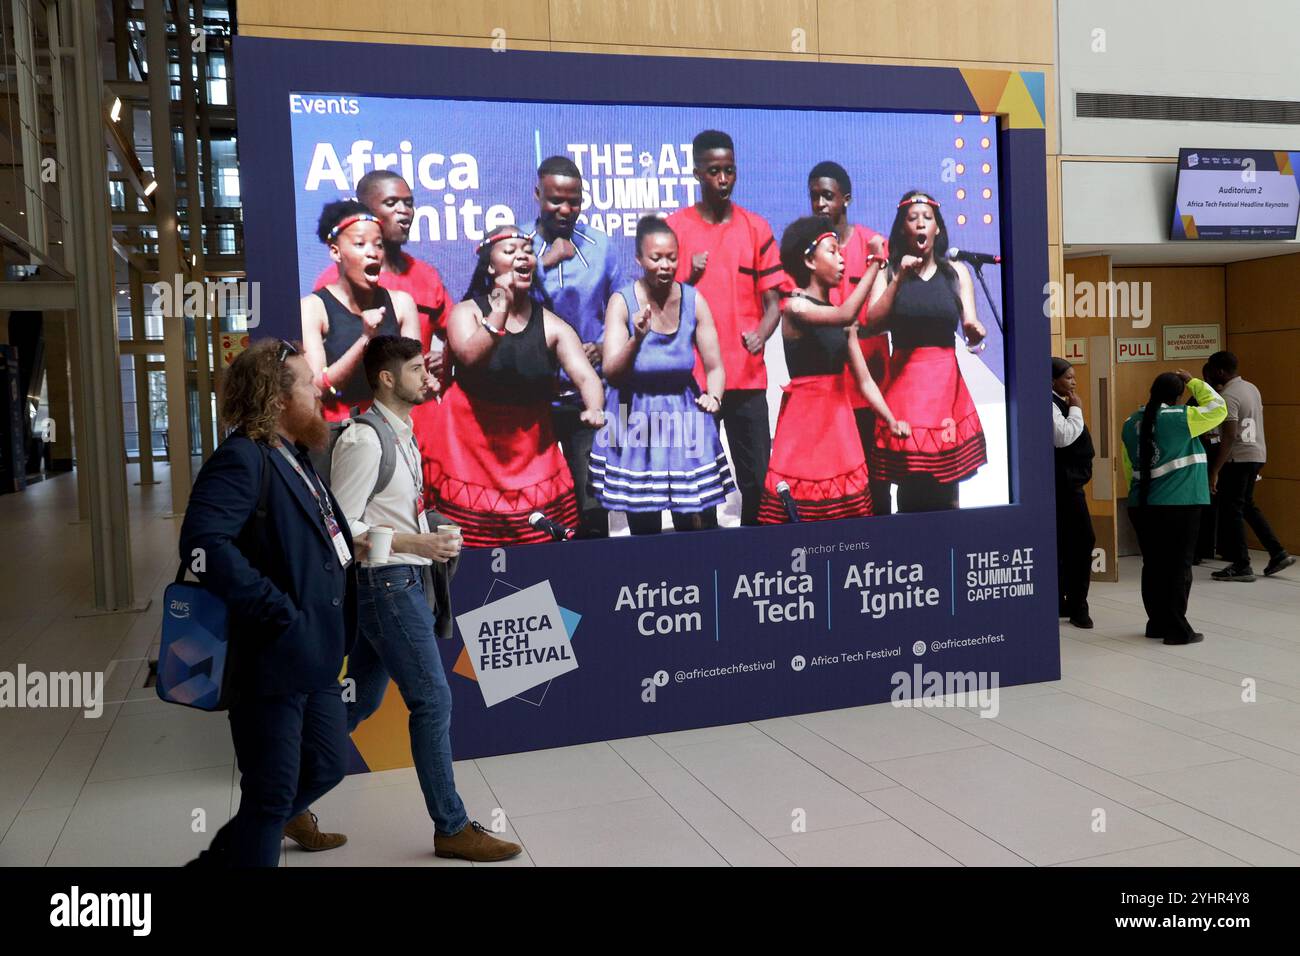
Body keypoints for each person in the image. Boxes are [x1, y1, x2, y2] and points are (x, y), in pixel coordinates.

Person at [327, 335, 521, 861]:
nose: (427, 375)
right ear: (387, 379)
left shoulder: (403, 435)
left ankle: (284, 799)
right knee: (432, 701)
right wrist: (417, 542)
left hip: (403, 581)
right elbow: (340, 531)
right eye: (415, 369)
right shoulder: (365, 441)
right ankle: (452, 827)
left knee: (362, 700)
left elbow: (386, 513)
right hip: (385, 585)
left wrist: (429, 527)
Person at [180, 339, 356, 866]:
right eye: (307, 382)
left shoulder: (296, 455)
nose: (319, 388)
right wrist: (276, 609)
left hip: (317, 655)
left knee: (326, 765)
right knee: (272, 793)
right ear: (277, 398)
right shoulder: (241, 458)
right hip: (271, 656)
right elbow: (202, 545)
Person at [420, 225, 604, 547]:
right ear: (491, 267)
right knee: (472, 556)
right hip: (469, 452)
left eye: (528, 251)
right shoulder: (465, 313)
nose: (522, 255)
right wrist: (500, 308)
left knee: (539, 551)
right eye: (510, 250)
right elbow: (470, 356)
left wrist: (594, 407)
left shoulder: (551, 324)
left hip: (530, 454)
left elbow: (586, 375)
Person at [666, 130, 785, 525]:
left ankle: (754, 556)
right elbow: (653, 301)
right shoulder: (675, 230)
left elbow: (775, 302)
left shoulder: (756, 227)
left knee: (756, 480)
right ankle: (700, 560)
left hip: (747, 377)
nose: (722, 180)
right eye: (714, 171)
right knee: (696, 485)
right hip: (693, 380)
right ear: (697, 173)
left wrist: (763, 333)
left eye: (729, 171)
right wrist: (687, 273)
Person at [758, 216, 904, 523]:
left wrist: (890, 419)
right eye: (832, 251)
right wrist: (877, 262)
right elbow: (845, 311)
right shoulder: (795, 307)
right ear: (809, 260)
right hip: (806, 428)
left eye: (840, 252)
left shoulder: (841, 321)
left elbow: (864, 381)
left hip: (839, 424)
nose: (841, 260)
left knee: (846, 520)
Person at [593, 216, 733, 534]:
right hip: (632, 415)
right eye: (656, 258)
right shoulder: (622, 302)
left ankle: (694, 581)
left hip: (683, 413)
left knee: (696, 520)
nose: (665, 265)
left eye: (671, 257)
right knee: (644, 523)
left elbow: (715, 366)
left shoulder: (694, 301)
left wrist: (714, 396)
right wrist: (637, 339)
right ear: (639, 259)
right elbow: (612, 372)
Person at [862, 190, 988, 512]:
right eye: (912, 218)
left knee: (948, 488)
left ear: (938, 229)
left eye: (927, 218)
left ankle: (948, 556)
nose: (920, 224)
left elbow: (970, 324)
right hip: (906, 386)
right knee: (910, 486)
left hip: (946, 385)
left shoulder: (956, 272)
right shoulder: (888, 271)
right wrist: (900, 278)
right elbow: (872, 322)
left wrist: (975, 333)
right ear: (902, 229)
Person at [524, 155, 621, 539]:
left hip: (587, 398)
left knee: (593, 507)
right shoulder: (517, 244)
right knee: (540, 511)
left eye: (574, 200)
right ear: (537, 195)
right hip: (533, 400)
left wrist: (602, 343)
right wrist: (545, 262)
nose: (565, 209)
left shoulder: (601, 246)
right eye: (555, 200)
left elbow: (622, 310)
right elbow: (500, 303)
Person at [808, 161, 894, 514]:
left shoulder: (873, 245)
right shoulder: (809, 253)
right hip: (828, 391)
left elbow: (881, 317)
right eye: (814, 197)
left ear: (846, 199)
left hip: (871, 389)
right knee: (835, 490)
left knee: (877, 487)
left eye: (827, 196)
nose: (819, 205)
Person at [1121, 370, 1226, 645]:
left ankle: (1156, 623)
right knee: (1178, 567)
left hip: (1141, 505)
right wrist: (1194, 381)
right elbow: (1219, 408)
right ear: (1179, 395)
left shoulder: (1130, 421)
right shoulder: (1181, 418)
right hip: (1180, 504)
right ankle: (1178, 629)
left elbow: (1128, 465)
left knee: (1153, 565)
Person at [312, 171, 451, 381]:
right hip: (362, 405)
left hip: (418, 404)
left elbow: (456, 333)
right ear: (366, 209)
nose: (403, 211)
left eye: (408, 203)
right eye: (391, 202)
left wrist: (446, 357)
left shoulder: (426, 275)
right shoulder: (333, 281)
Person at [301, 199, 421, 421]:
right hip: (341, 432)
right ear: (336, 252)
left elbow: (414, 378)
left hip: (394, 427)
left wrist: (422, 379)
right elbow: (318, 388)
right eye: (360, 244)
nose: (372, 253)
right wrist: (365, 339)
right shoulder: (313, 307)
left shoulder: (402, 303)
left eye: (378, 244)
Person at [1204, 350, 1295, 581]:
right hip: (1257, 453)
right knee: (1247, 506)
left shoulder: (1228, 396)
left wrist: (1214, 470)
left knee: (1231, 510)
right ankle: (1277, 552)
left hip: (1238, 457)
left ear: (1220, 371)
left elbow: (1230, 435)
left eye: (1212, 370)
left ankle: (1241, 564)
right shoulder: (1251, 388)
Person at [1051, 357, 1096, 629]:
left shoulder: (1061, 402)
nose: (1074, 382)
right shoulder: (1052, 404)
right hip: (1064, 488)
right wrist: (1077, 410)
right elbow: (1063, 437)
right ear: (1053, 380)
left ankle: (1067, 601)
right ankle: (1078, 605)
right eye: (1068, 377)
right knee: (1081, 542)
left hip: (1070, 484)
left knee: (1070, 544)